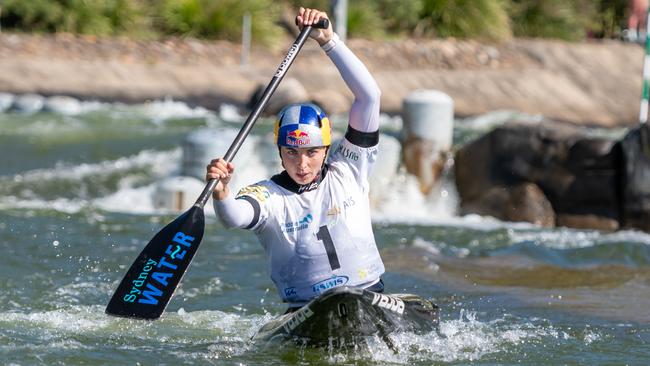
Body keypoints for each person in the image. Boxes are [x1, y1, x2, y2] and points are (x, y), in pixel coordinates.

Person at [206, 7, 385, 311]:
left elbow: (370, 97)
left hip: (368, 295)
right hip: (305, 310)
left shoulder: (350, 168)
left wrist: (329, 41)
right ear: (279, 151)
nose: (302, 164)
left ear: (327, 149)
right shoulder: (267, 195)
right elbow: (234, 217)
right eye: (292, 152)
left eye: (312, 153)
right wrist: (222, 192)